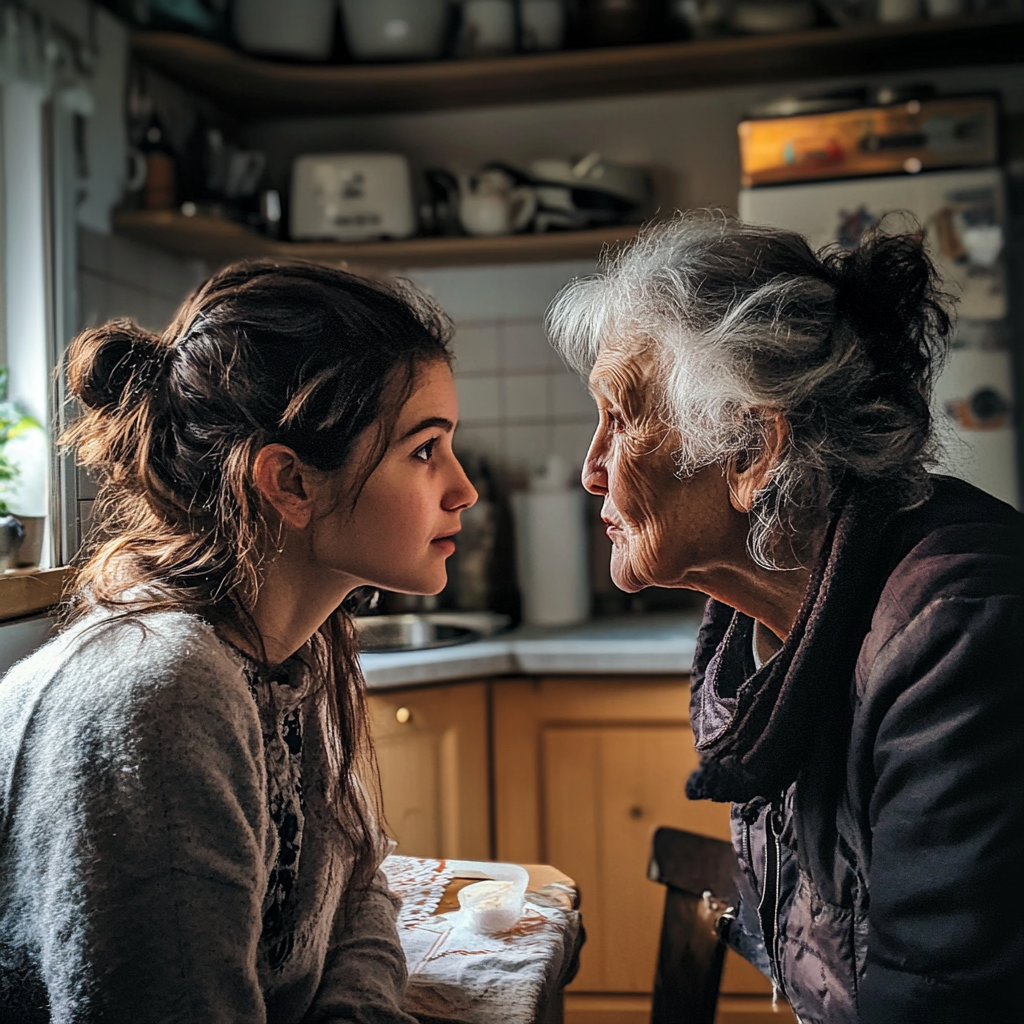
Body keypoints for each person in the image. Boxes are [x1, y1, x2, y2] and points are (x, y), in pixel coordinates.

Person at [546, 213, 1023, 1023]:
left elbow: (935, 999)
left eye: (622, 420)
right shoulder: (758, 619)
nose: (593, 470)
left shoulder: (957, 631)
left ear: (751, 451)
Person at [0, 260, 477, 1021]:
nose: (463, 488)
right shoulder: (162, 699)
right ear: (289, 483)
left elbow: (354, 890)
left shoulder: (293, 649)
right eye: (424, 450)